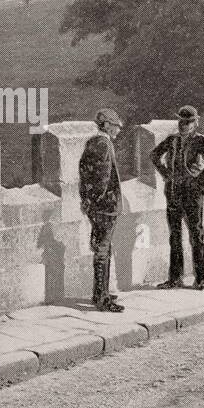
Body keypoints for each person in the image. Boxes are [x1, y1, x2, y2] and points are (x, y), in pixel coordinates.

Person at [150, 105, 204, 290]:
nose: (184, 125)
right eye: (181, 121)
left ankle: (202, 279)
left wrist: (200, 181)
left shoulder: (200, 141)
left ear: (195, 123)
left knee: (196, 235)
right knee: (174, 236)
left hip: (192, 194)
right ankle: (175, 278)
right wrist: (165, 173)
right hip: (173, 193)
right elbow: (155, 154)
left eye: (188, 122)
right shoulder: (172, 140)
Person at [78, 108, 126, 312]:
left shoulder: (91, 142)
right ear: (106, 125)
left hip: (96, 206)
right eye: (115, 125)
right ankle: (102, 298)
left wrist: (87, 201)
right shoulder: (104, 144)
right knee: (103, 251)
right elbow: (103, 179)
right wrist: (97, 200)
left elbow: (82, 172)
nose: (118, 129)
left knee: (101, 249)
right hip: (106, 208)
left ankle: (102, 294)